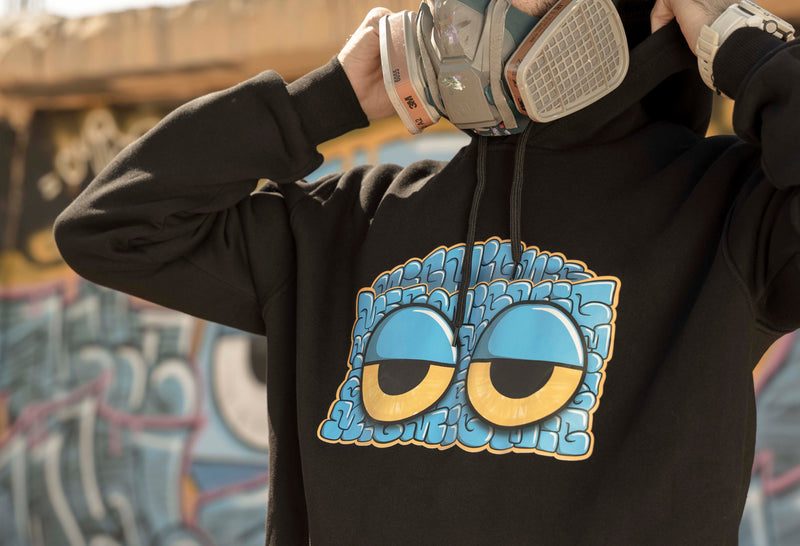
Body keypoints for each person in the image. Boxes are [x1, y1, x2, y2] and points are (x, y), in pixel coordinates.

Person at [54, 0, 798, 543]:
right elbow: (110, 229)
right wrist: (325, 102)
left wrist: (745, 49)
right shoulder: (351, 217)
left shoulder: (731, 213)